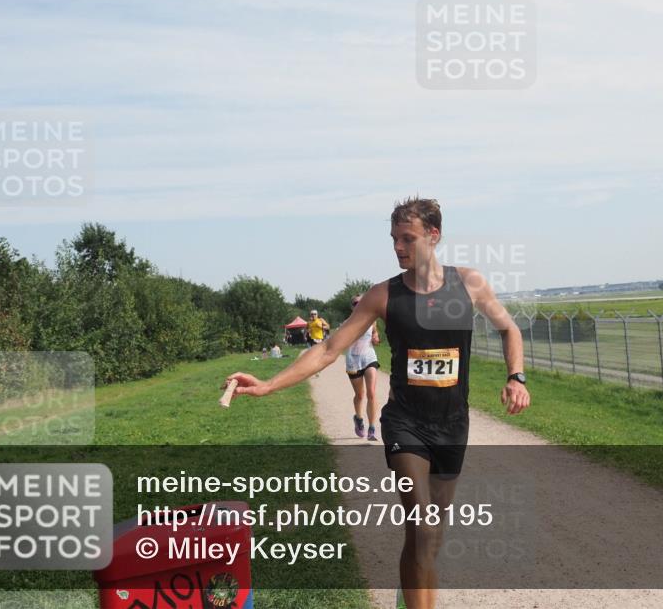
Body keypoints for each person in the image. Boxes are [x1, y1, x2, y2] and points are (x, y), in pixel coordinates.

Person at [225, 197, 530, 609]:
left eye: (408, 238)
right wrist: (268, 385)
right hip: (405, 423)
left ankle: (410, 594)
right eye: (393, 239)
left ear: (434, 235)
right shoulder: (384, 295)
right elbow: (330, 348)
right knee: (422, 525)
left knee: (431, 535)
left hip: (453, 424)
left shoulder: (469, 283)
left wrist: (516, 377)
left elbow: (510, 330)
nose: (398, 247)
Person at [345, 293, 381, 440]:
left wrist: (376, 337)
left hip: (369, 358)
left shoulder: (372, 321)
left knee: (371, 393)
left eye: (361, 302)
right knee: (360, 395)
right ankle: (358, 419)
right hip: (353, 360)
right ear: (352, 307)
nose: (358, 305)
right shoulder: (347, 323)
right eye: (355, 303)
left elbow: (375, 335)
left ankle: (372, 428)